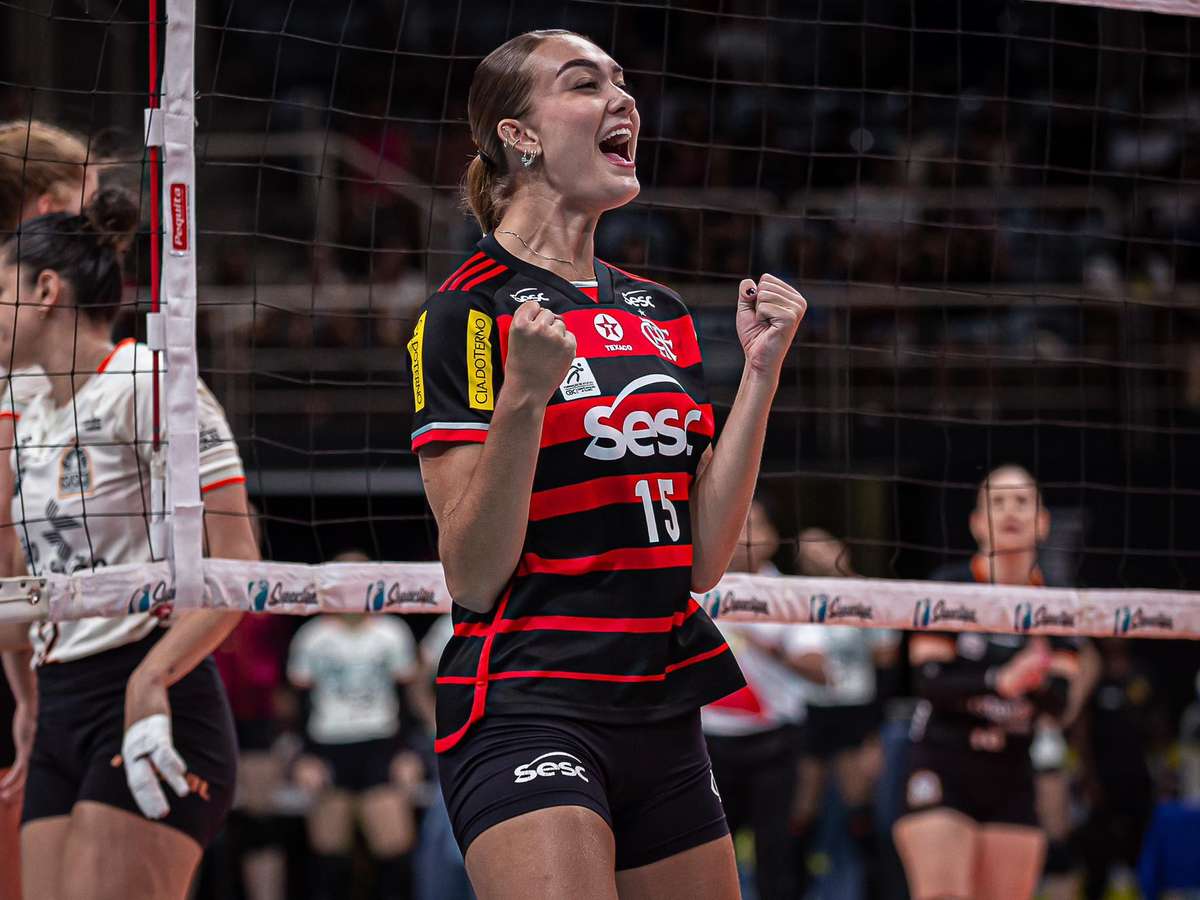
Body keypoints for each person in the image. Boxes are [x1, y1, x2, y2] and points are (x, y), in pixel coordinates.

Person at [409, 29, 806, 899]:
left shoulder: (660, 313)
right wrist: (523, 397)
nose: (624, 100)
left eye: (623, 83)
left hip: (660, 705)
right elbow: (472, 573)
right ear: (519, 135)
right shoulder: (465, 312)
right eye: (586, 84)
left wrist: (761, 375)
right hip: (529, 701)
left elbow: (704, 560)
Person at [0, 188, 257, 900]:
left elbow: (239, 564)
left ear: (45, 291)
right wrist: (26, 694)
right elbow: (22, 579)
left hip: (148, 686)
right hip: (58, 703)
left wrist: (151, 680)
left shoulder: (148, 384)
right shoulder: (30, 409)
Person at [893, 464, 1082, 900]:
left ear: (1042, 522)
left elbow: (1059, 704)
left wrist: (1033, 681)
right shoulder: (950, 588)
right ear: (978, 522)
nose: (1010, 511)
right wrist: (1002, 679)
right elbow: (930, 683)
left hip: (1012, 771)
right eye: (997, 502)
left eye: (1022, 501)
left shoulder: (1058, 603)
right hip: (942, 761)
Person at [0, 122, 99, 900]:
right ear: (47, 207)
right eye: (87, 206)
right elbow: (10, 544)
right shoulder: (37, 356)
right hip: (56, 667)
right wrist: (30, 687)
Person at [287, 555, 423, 900]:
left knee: (394, 849)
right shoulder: (312, 637)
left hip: (381, 744)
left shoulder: (391, 632)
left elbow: (406, 698)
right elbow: (298, 704)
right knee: (329, 855)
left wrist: (407, 752)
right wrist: (304, 757)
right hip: (328, 746)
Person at [701, 499, 808, 900]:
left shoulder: (787, 593)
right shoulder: (694, 584)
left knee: (774, 855)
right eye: (737, 520)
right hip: (707, 745)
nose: (744, 532)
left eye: (755, 524)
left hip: (773, 743)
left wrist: (762, 640)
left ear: (773, 537)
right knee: (709, 853)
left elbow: (819, 667)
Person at [785, 528, 897, 899]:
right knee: (802, 809)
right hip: (811, 712)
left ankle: (877, 890)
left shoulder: (865, 594)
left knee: (859, 806)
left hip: (856, 713)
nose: (814, 554)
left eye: (821, 546)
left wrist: (874, 731)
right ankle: (793, 888)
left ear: (841, 549)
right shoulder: (795, 597)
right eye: (806, 550)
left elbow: (886, 662)